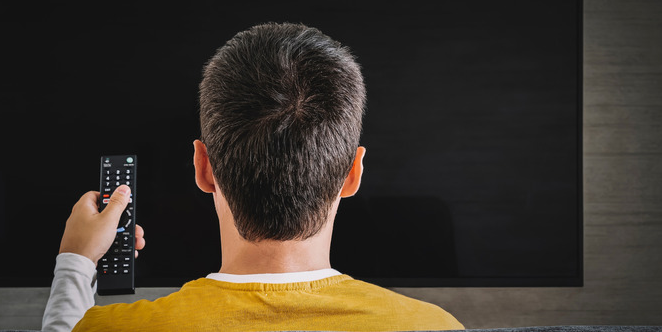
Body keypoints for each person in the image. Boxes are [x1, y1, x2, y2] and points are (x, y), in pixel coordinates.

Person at [42, 22, 464, 332]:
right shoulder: (434, 328)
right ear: (353, 174)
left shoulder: (112, 331)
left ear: (203, 168)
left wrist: (75, 265)